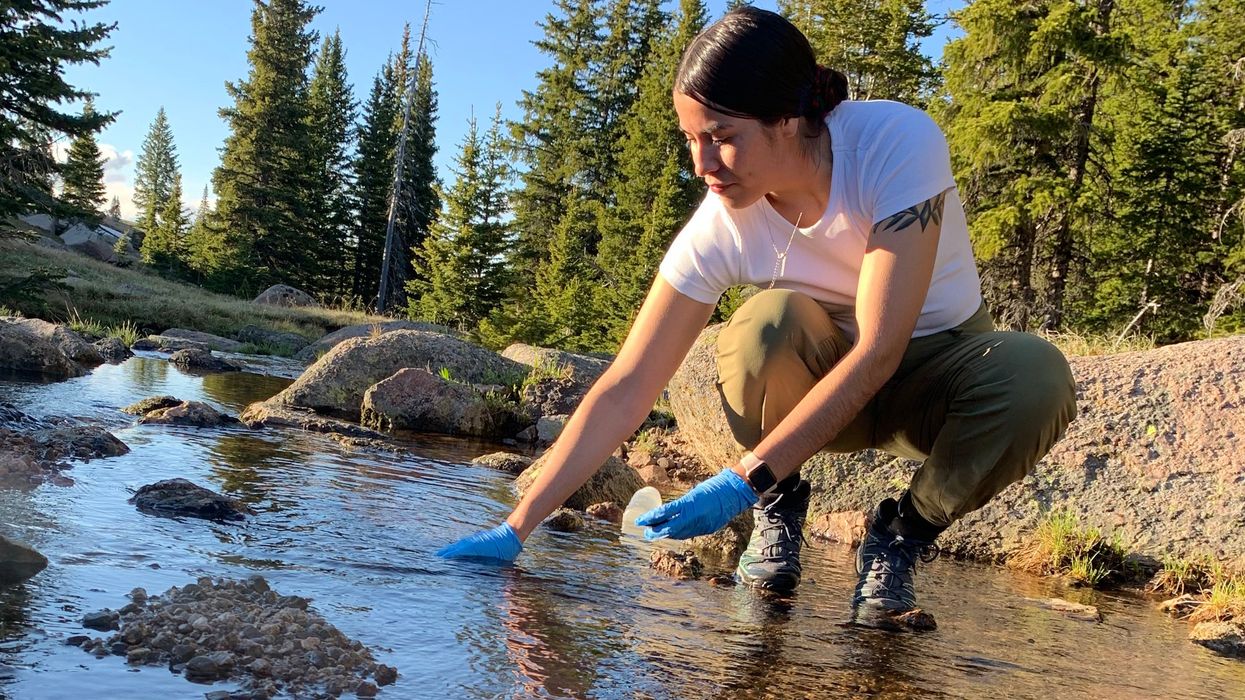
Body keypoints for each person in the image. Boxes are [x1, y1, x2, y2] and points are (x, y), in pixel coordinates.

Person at [439, 7, 1076, 617]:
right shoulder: (724, 223)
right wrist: (516, 528)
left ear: (788, 118)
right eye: (691, 139)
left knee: (1036, 377)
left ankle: (899, 536)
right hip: (819, 382)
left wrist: (738, 479)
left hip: (932, 375)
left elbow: (881, 348)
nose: (703, 165)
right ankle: (781, 503)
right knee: (766, 326)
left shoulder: (893, 145)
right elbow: (628, 384)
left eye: (722, 138)